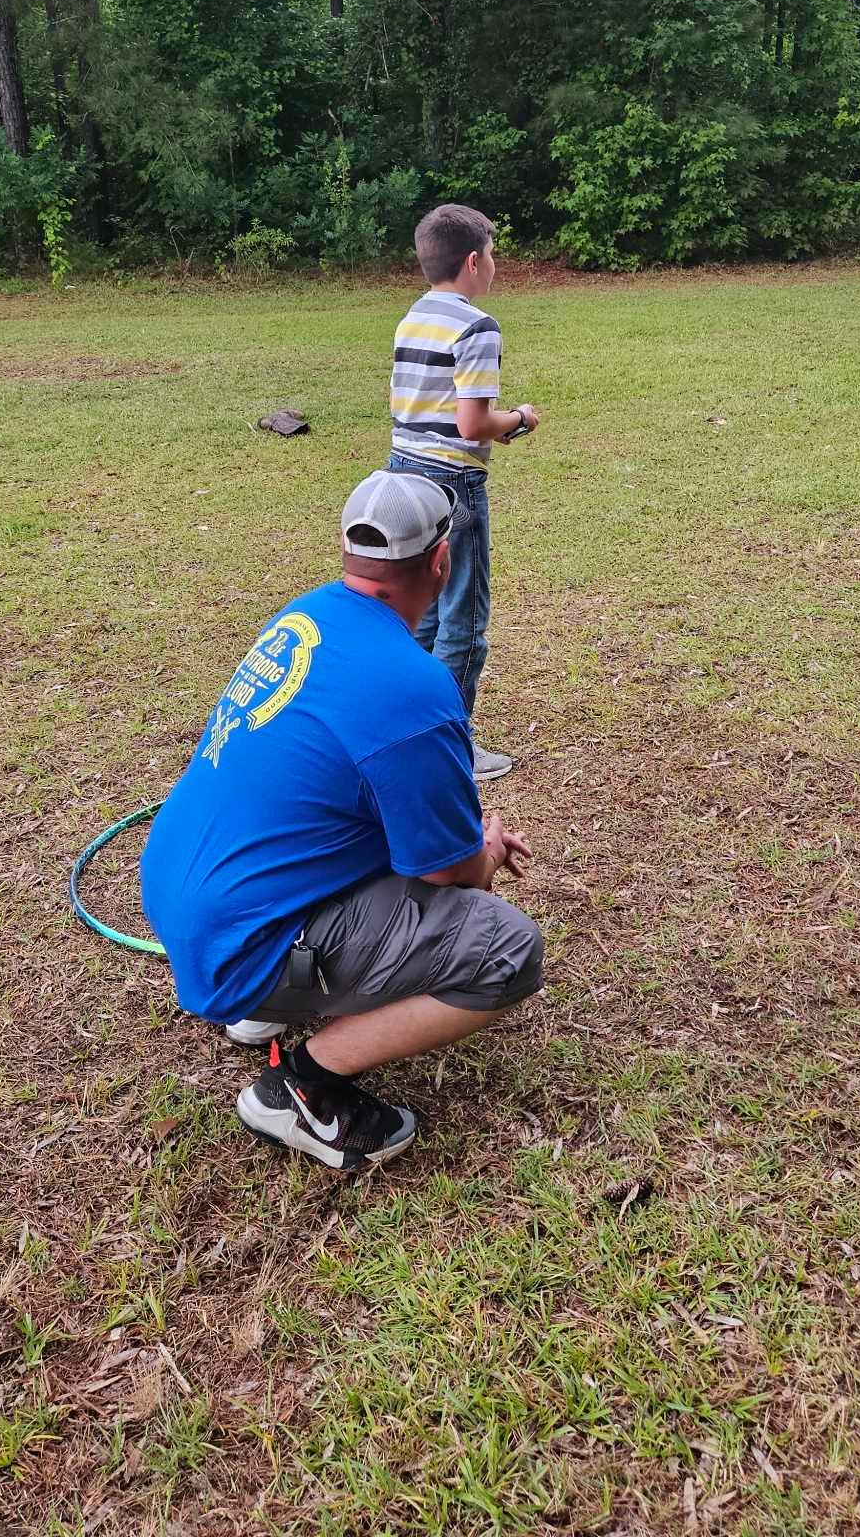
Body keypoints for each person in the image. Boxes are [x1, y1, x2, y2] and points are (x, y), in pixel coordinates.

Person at [140, 471, 545, 1171]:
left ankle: (265, 1000)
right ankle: (303, 1086)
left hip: (184, 892)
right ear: (441, 563)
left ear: (349, 553)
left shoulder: (304, 616)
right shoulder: (414, 688)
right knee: (506, 949)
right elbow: (449, 873)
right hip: (243, 935)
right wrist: (484, 850)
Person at [388, 203, 540, 781]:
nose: (496, 265)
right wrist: (520, 418)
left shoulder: (412, 318)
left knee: (419, 614)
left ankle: (404, 730)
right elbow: (474, 425)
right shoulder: (478, 326)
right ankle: (451, 748)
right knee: (463, 619)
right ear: (474, 261)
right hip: (453, 482)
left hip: (402, 471)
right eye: (494, 254)